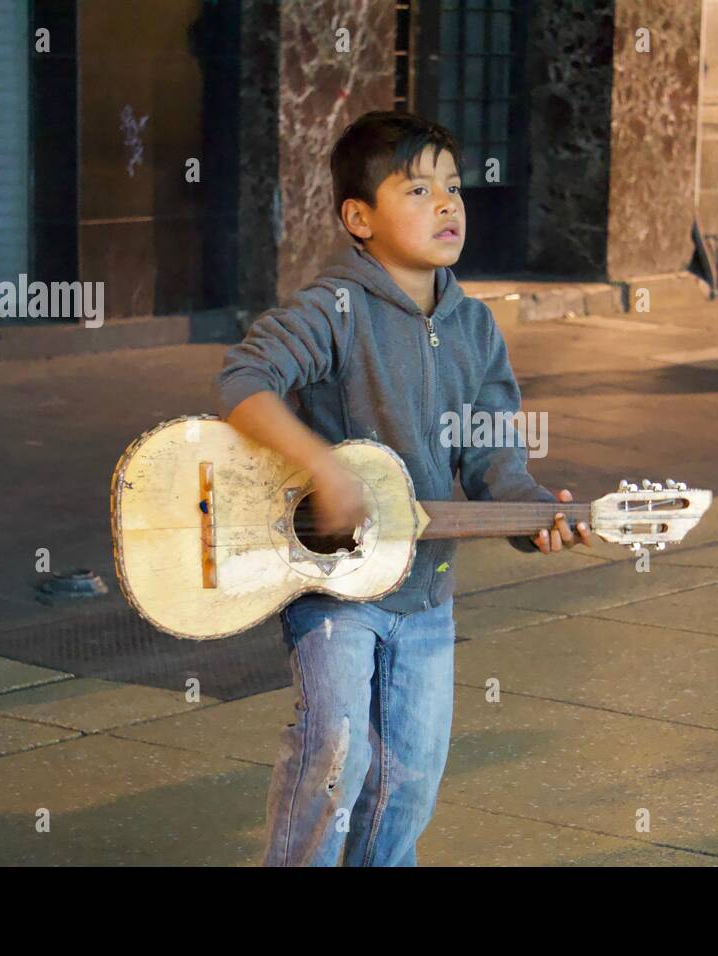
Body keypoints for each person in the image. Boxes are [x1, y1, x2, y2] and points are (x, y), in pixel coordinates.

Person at [213, 110, 592, 866]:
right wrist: (321, 467)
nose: (448, 204)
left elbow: (495, 465)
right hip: (333, 590)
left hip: (427, 594)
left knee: (410, 782)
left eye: (453, 187)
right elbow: (243, 381)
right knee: (335, 756)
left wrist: (533, 513)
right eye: (418, 189)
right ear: (359, 217)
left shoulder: (478, 329)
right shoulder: (334, 309)